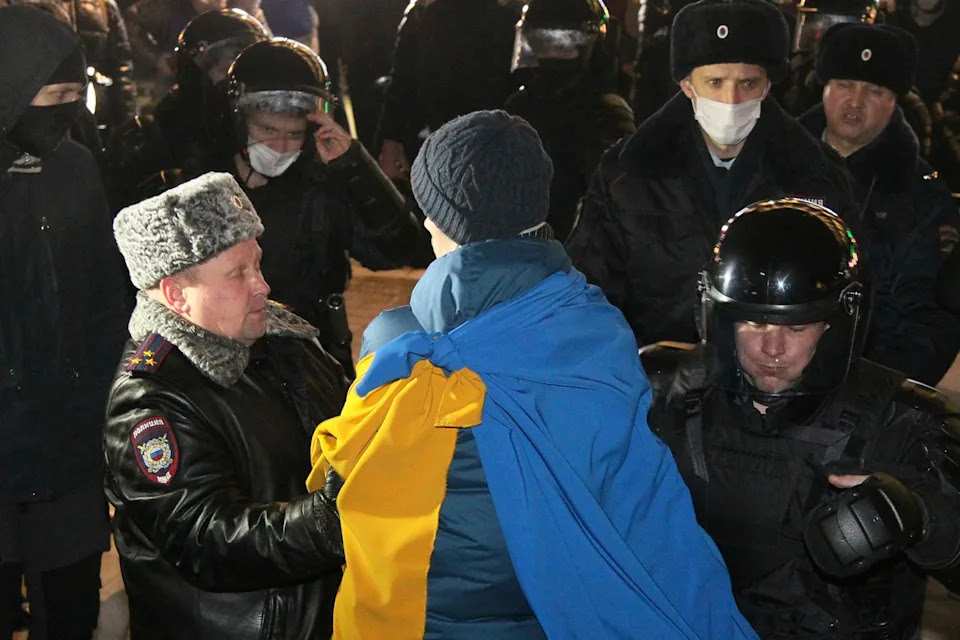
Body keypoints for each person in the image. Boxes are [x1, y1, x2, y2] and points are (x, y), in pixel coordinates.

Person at [308, 110, 758, 639]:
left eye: (430, 212)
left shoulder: (400, 347)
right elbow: (638, 500)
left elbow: (351, 498)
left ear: (448, 224)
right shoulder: (599, 332)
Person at [642, 198, 960, 638]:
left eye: (796, 328)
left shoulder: (899, 419)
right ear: (722, 319)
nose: (773, 350)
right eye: (754, 324)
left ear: (832, 325)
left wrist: (920, 515)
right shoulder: (663, 392)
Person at [104, 172, 348, 639]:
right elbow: (206, 539)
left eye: (257, 264)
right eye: (238, 274)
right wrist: (328, 521)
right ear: (176, 295)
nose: (262, 285)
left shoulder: (287, 343)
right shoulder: (149, 399)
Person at [566, 0, 857, 348]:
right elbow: (588, 295)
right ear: (687, 85)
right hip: (654, 380)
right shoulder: (629, 175)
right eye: (715, 82)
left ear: (767, 86)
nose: (731, 99)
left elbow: (849, 301)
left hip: (774, 381)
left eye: (748, 83)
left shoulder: (815, 176)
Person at [0, 6, 130, 639]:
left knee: (71, 606)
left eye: (76, 99)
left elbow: (107, 293)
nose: (64, 114)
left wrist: (105, 391)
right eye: (52, 98)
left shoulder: (75, 167)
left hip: (65, 438)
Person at [200, 37, 422, 376]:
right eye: (268, 129)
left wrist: (354, 165)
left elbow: (398, 249)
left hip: (311, 362)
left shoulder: (321, 188)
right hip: (225, 364)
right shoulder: (201, 187)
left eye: (294, 134)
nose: (279, 146)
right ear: (239, 119)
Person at [798, 22, 960, 385]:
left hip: (869, 390)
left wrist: (876, 393)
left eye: (873, 90)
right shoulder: (777, 165)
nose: (855, 102)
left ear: (895, 100)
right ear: (823, 88)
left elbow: (928, 319)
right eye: (843, 85)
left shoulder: (921, 196)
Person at [504, 0, 635, 241]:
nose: (552, 54)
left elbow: (616, 204)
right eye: (543, 43)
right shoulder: (519, 107)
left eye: (563, 45)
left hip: (579, 258)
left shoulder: (606, 113)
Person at [376, 0, 521, 182]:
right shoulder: (422, 15)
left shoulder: (509, 18)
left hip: (490, 146)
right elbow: (403, 81)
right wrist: (391, 139)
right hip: (441, 144)